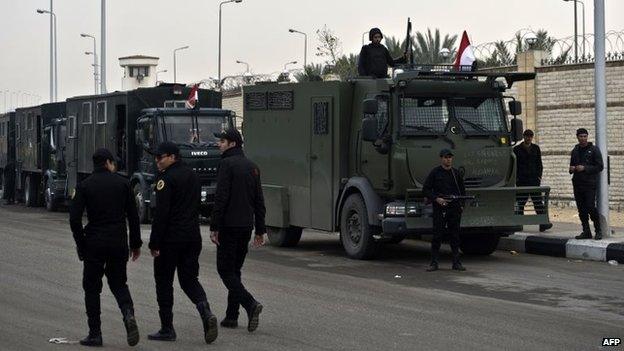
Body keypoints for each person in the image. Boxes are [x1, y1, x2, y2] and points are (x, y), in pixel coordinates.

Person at [69, 148, 141, 347]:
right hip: (118, 242)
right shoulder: (124, 184)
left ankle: (95, 333)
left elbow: (74, 219)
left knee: (91, 288)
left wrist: (81, 244)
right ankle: (128, 314)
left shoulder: (84, 186)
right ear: (108, 162)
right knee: (119, 284)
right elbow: (133, 218)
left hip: (94, 243)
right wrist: (135, 244)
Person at [148, 141, 218, 344]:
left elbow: (161, 214)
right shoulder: (191, 175)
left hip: (170, 239)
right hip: (192, 236)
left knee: (163, 282)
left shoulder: (166, 179)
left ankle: (167, 328)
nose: (157, 161)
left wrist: (154, 242)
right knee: (189, 280)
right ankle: (205, 311)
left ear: (172, 157)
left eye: (160, 157)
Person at [210, 128, 266, 332]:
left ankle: (250, 304)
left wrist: (214, 226)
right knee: (235, 270)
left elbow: (221, 197)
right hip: (246, 226)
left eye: (222, 141)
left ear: (233, 143)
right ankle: (231, 316)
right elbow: (259, 200)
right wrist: (260, 229)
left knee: (225, 270)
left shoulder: (226, 164)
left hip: (228, 226)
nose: (219, 144)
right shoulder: (252, 166)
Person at [423, 149, 466, 272]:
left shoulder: (456, 173)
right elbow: (426, 189)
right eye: (446, 157)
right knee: (437, 236)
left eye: (450, 157)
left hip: (454, 208)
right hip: (440, 208)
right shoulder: (435, 173)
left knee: (455, 236)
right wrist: (437, 199)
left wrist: (461, 205)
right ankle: (434, 263)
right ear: (441, 158)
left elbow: (462, 191)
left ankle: (456, 263)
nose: (448, 159)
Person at [513, 129, 552, 232]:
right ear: (524, 136)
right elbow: (514, 165)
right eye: (527, 136)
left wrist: (539, 176)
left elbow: (539, 163)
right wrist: (516, 178)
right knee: (521, 202)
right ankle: (518, 223)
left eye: (530, 136)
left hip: (534, 180)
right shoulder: (517, 149)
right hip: (522, 180)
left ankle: (543, 223)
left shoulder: (535, 148)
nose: (528, 138)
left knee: (538, 202)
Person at [569, 128, 604, 240]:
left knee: (590, 207)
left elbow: (600, 166)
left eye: (585, 136)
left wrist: (585, 168)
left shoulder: (594, 150)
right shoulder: (575, 150)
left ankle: (598, 230)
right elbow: (571, 166)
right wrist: (572, 169)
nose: (583, 138)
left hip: (589, 184)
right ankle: (586, 231)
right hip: (577, 183)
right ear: (577, 137)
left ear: (587, 137)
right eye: (581, 136)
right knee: (581, 209)